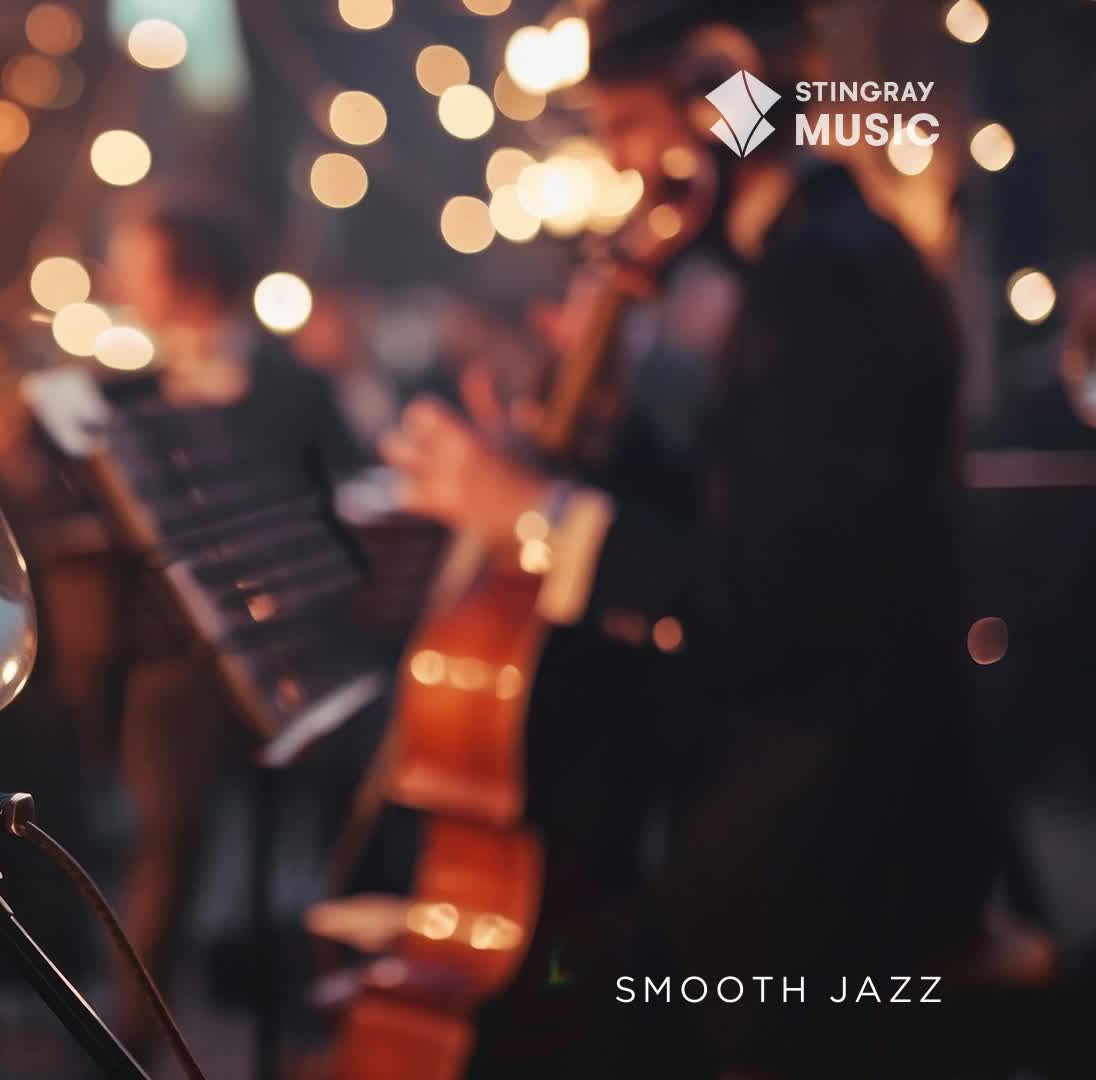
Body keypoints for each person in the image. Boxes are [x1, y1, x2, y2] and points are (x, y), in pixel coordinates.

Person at [379, 2, 996, 1074]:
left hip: (832, 839)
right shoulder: (807, 261)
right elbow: (753, 511)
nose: (621, 166)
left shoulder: (825, 283)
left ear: (718, 91)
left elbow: (767, 594)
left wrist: (531, 512)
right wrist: (586, 449)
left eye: (627, 125)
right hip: (813, 809)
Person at [103, 199, 364, 1050]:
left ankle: (315, 1034)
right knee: (165, 852)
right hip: (174, 662)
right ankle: (133, 1045)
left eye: (135, 267)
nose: (120, 284)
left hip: (287, 653)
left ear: (188, 277)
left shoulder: (296, 385)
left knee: (308, 850)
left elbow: (352, 503)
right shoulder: (124, 396)